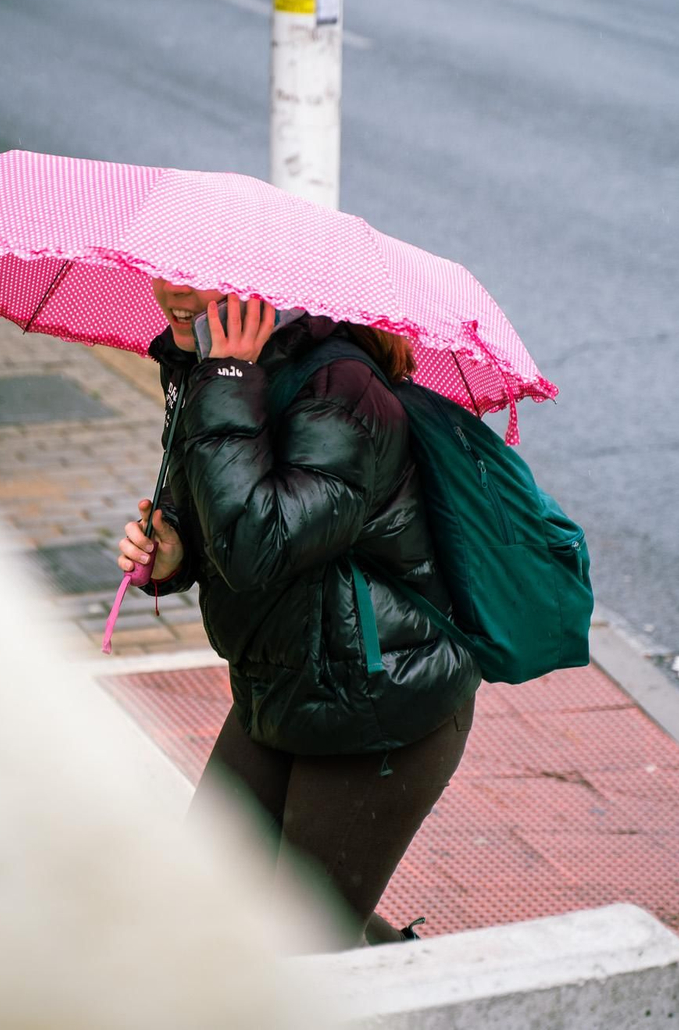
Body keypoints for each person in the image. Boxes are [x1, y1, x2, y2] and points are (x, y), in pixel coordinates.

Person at [117, 279, 481, 949]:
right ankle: (409, 974)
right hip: (284, 676)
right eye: (162, 269)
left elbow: (260, 546)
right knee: (205, 899)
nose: (171, 292)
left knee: (303, 945)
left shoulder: (342, 391)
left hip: (379, 700)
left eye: (192, 276)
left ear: (246, 284)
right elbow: (216, 525)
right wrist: (171, 555)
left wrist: (224, 376)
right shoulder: (211, 369)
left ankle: (429, 991)